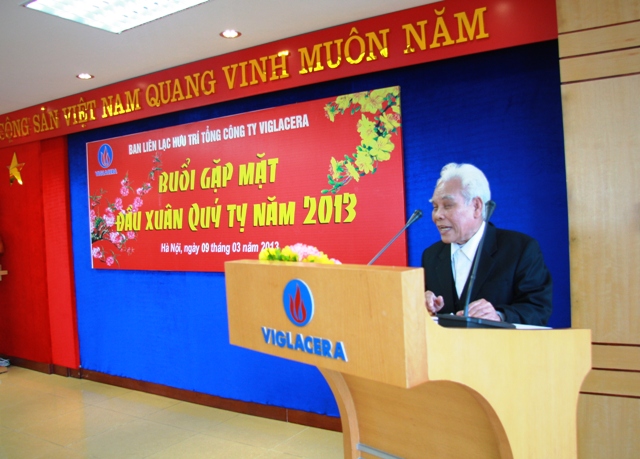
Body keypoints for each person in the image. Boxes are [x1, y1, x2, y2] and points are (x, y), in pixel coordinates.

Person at [422, 163, 552, 326]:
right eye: (435, 207)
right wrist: (423, 305)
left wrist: (499, 316)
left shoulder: (520, 249)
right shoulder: (431, 256)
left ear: (476, 206)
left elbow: (538, 308)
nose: (437, 215)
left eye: (447, 205)